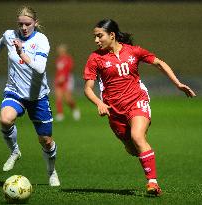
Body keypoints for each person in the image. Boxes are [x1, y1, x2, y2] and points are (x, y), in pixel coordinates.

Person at [83, 19, 196, 196]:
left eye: (99, 36)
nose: (96, 40)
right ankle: (140, 151)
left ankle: (153, 183)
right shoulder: (95, 58)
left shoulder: (133, 51)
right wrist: (99, 102)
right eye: (95, 37)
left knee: (137, 136)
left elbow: (159, 63)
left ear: (111, 35)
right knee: (132, 148)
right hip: (114, 111)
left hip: (137, 101)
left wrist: (178, 84)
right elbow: (88, 89)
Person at [0, 6, 60, 186]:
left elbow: (40, 68)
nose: (24, 27)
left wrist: (22, 53)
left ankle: (51, 172)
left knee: (46, 141)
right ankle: (15, 151)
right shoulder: (10, 35)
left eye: (27, 24)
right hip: (15, 91)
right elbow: (1, 43)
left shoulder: (42, 40)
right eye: (20, 24)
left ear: (35, 23)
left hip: (38, 97)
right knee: (5, 119)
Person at [54, 44, 80, 122]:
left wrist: (64, 77)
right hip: (58, 80)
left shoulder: (68, 59)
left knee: (68, 99)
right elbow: (58, 71)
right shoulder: (58, 60)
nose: (59, 51)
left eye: (61, 50)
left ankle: (75, 109)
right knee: (58, 97)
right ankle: (60, 114)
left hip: (67, 80)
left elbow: (69, 70)